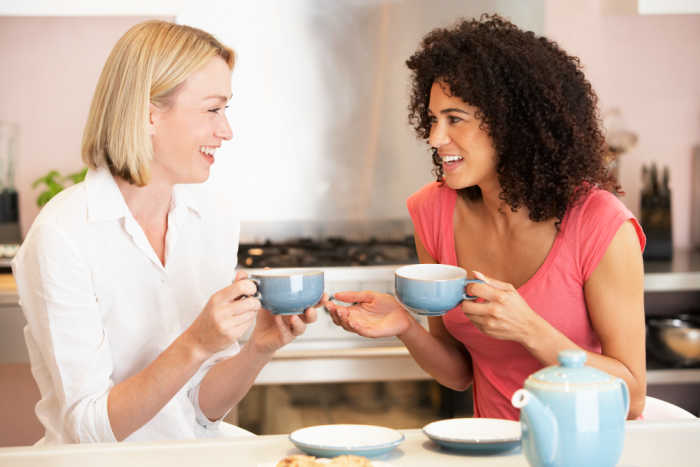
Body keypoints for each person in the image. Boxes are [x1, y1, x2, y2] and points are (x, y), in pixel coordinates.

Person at [325, 14, 646, 420]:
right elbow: (460, 373)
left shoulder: (600, 224)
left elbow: (632, 398)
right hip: (489, 451)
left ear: (513, 123)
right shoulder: (433, 210)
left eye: (454, 119)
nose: (435, 138)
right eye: (433, 119)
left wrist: (529, 329)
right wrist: (405, 326)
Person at [12, 20, 317, 444]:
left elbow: (201, 411)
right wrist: (195, 342)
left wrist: (257, 349)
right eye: (212, 109)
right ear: (149, 114)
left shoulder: (213, 216)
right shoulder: (62, 236)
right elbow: (90, 431)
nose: (226, 130)